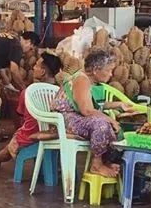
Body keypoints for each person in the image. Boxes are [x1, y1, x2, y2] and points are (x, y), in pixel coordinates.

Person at [52, 46, 124, 178]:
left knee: (109, 125)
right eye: (108, 70)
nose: (111, 74)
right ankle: (96, 164)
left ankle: (105, 161)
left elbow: (91, 106)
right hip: (63, 120)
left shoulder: (89, 81)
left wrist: (118, 105)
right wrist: (111, 120)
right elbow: (86, 110)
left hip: (75, 117)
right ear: (96, 70)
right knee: (101, 124)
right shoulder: (82, 79)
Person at [0, 51, 62, 166]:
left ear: (43, 72)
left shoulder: (29, 92)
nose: (33, 67)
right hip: (57, 134)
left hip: (31, 134)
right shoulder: (60, 91)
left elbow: (21, 116)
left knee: (14, 141)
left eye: (36, 65)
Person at [0, 29, 39, 94]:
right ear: (28, 42)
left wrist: (8, 84)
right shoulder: (17, 46)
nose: (28, 51)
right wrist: (24, 89)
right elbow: (14, 70)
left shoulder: (12, 40)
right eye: (31, 48)